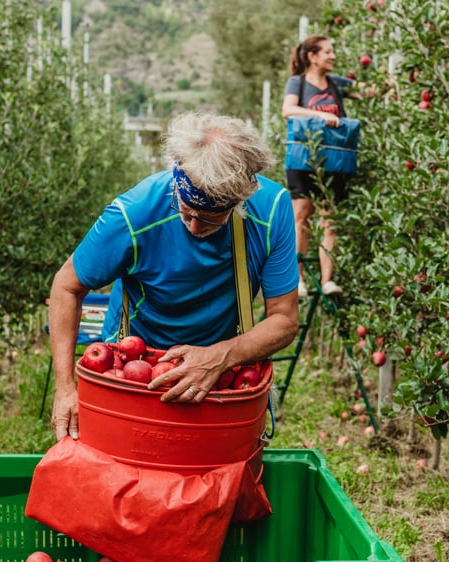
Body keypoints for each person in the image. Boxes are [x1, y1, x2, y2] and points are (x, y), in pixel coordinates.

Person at [48, 112, 300, 441]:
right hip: (133, 368)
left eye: (210, 220)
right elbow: (66, 286)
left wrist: (221, 356)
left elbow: (284, 318)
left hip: (218, 372)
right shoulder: (134, 213)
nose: (195, 227)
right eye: (186, 212)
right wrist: (66, 388)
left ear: (239, 203)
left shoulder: (270, 209)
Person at [281, 34, 355, 298]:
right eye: (327, 52)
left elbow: (367, 89)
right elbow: (288, 110)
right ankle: (298, 280)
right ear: (312, 57)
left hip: (333, 159)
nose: (333, 56)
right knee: (301, 217)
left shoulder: (336, 84)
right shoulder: (297, 83)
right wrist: (322, 115)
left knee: (329, 219)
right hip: (303, 157)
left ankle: (327, 281)